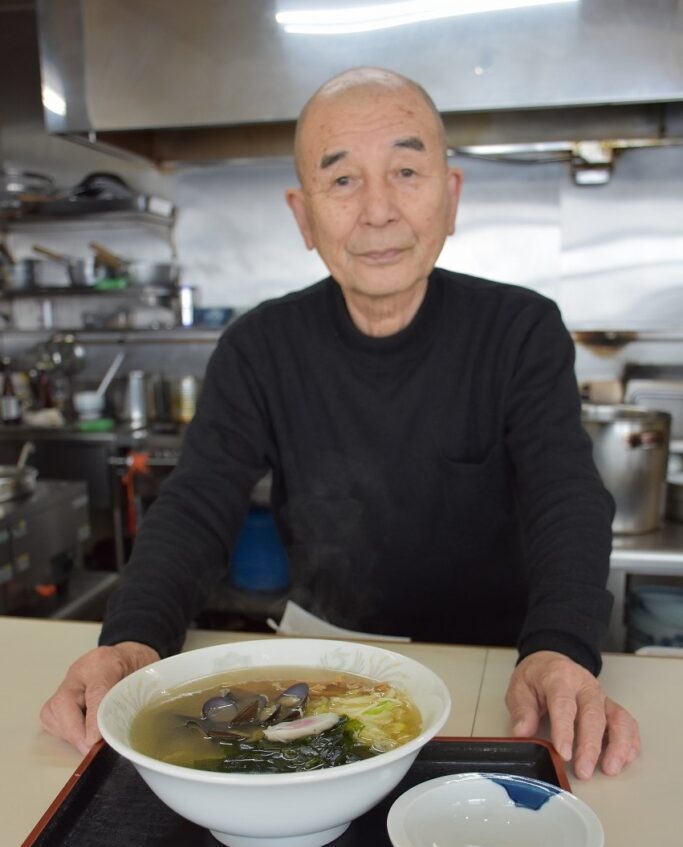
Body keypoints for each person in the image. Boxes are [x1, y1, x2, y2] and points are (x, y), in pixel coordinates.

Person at [40, 67, 640, 780]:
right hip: (325, 675)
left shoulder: (518, 330)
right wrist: (132, 642)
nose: (378, 210)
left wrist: (559, 647)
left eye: (406, 171)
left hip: (494, 674)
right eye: (343, 181)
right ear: (302, 215)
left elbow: (562, 491)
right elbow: (198, 503)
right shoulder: (259, 347)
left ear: (449, 198)